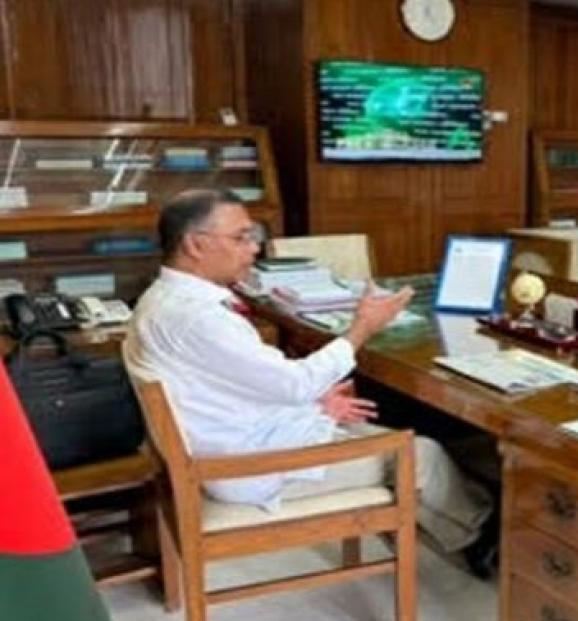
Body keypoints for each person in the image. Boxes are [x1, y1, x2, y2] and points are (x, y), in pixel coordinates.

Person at [125, 188, 490, 552]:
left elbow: (235, 383)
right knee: (423, 453)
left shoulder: (160, 298)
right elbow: (295, 384)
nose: (254, 248)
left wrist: (313, 404)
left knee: (367, 413)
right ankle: (481, 536)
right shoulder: (200, 317)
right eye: (241, 238)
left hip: (238, 442)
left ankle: (444, 516)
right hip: (248, 468)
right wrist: (361, 328)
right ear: (195, 244)